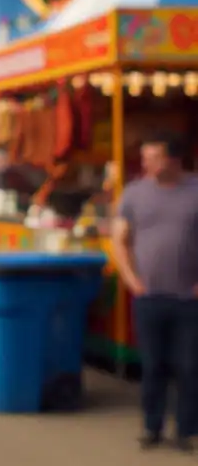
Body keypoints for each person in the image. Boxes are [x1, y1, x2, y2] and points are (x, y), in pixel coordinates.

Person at [111, 132, 198, 453]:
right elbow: (120, 239)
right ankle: (152, 426)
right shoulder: (134, 194)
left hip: (189, 299)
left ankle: (187, 430)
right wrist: (132, 280)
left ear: (174, 159)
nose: (145, 162)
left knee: (189, 366)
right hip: (148, 297)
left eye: (153, 156)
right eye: (145, 156)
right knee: (152, 365)